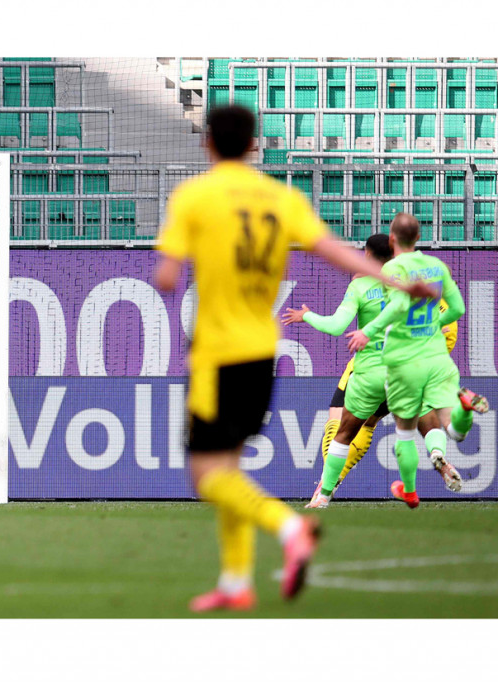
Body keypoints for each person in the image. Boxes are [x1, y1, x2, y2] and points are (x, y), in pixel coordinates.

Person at [154, 105, 438, 613]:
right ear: (255, 144)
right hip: (263, 352)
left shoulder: (194, 195)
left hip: (219, 352)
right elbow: (336, 251)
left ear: (208, 141)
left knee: (206, 476)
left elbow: (169, 277)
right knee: (230, 466)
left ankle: (290, 527)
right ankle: (236, 580)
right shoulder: (280, 198)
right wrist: (397, 280)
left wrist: (179, 262)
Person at [281, 235, 466, 506]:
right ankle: (438, 454)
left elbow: (335, 326)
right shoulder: (414, 281)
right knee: (425, 418)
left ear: (367, 255)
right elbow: (445, 312)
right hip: (408, 366)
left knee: (343, 428)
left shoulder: (361, 285)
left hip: (370, 371)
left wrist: (306, 315)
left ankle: (325, 488)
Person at [345, 213, 488, 509]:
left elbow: (396, 306)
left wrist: (367, 331)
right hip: (436, 357)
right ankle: (462, 411)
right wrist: (436, 325)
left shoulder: (393, 271)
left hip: (402, 361)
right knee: (449, 428)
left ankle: (401, 490)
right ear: (419, 237)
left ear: (393, 240)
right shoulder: (436, 267)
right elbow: (457, 308)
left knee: (385, 426)